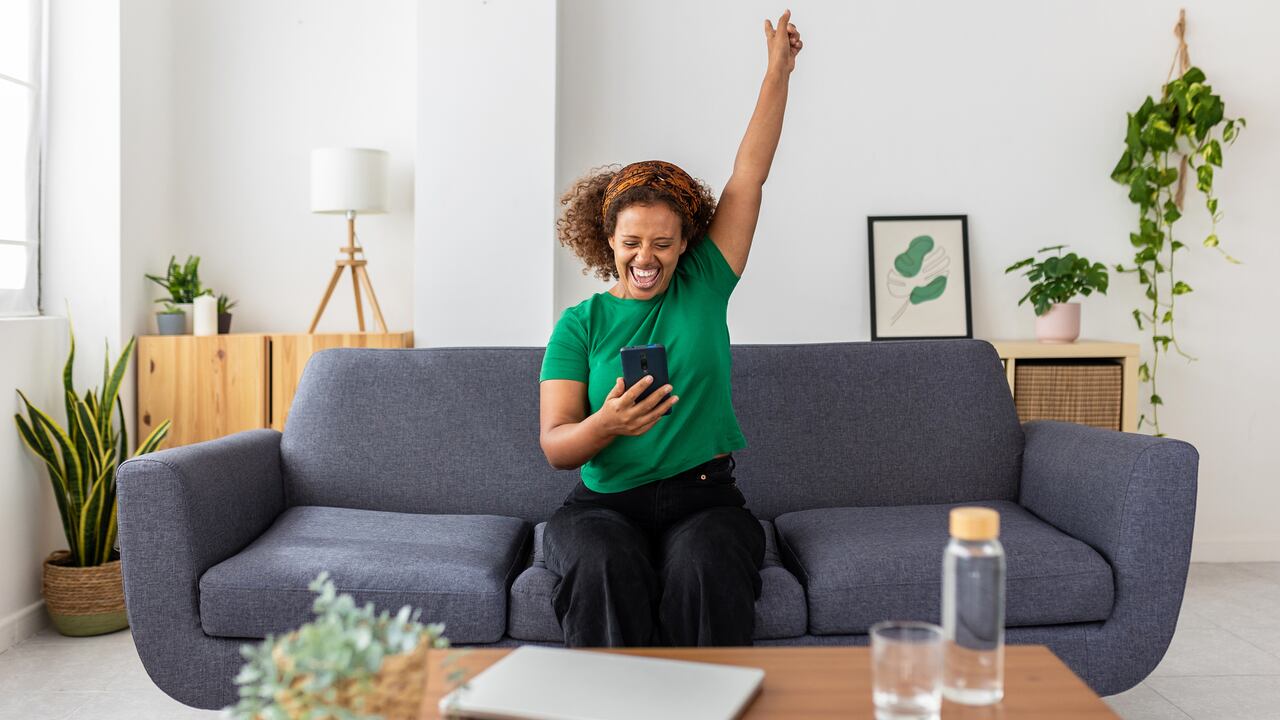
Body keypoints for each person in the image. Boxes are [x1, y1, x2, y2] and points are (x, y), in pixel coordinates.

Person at [537, 10, 803, 647]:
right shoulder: (580, 324)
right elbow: (555, 446)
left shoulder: (706, 283)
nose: (647, 257)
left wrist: (778, 72)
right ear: (609, 241)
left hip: (705, 498)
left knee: (705, 566)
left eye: (663, 242)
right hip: (603, 505)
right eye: (632, 242)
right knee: (603, 565)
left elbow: (749, 175)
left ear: (688, 242)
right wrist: (609, 424)